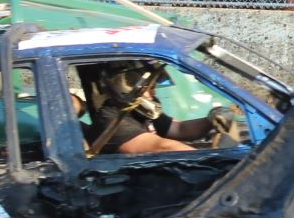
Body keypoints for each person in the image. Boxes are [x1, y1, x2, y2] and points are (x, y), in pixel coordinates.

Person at [79, 61, 229, 155]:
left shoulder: (136, 110)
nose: (154, 90)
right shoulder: (111, 120)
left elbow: (179, 129)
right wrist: (214, 161)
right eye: (149, 86)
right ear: (127, 86)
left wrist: (211, 119)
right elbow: (164, 147)